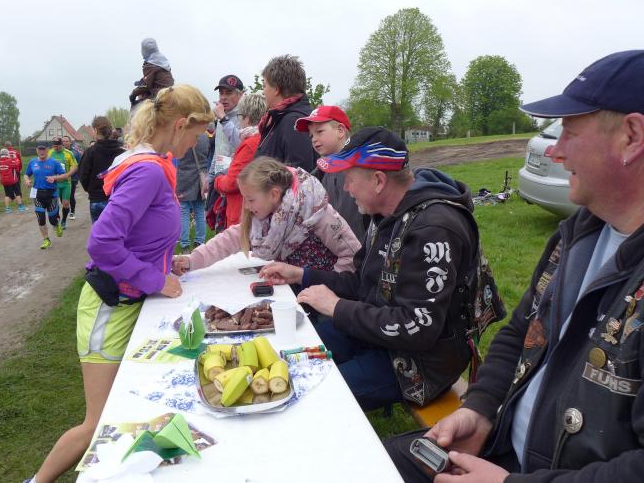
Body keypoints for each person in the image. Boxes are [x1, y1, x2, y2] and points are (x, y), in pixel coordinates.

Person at [386, 50, 644, 482]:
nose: (556, 151)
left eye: (570, 133)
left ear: (632, 136)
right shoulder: (580, 233)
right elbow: (521, 332)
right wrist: (480, 410)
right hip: (499, 450)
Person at [26, 84, 215, 483]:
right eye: (197, 135)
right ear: (180, 125)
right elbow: (102, 242)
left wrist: (163, 263)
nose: (196, 144)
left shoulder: (155, 164)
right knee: (98, 423)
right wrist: (153, 278)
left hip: (128, 304)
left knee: (130, 408)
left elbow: (141, 234)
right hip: (109, 309)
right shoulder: (148, 171)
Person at [259, 127, 479, 411]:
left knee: (309, 393)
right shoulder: (384, 215)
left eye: (349, 179)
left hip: (420, 363)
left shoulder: (433, 229)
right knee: (291, 353)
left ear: (378, 181)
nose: (346, 189)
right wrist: (302, 274)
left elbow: (417, 328)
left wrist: (337, 307)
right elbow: (363, 284)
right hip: (376, 335)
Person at [173, 156, 361, 278]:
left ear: (274, 194)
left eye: (250, 200)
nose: (246, 206)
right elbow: (228, 240)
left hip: (323, 302)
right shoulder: (262, 217)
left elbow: (353, 256)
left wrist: (322, 285)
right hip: (292, 292)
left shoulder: (317, 213)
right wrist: (192, 260)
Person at [296, 105, 368, 243]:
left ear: (340, 131)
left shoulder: (363, 168)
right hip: (336, 250)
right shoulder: (316, 176)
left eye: (319, 131)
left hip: (364, 248)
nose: (314, 139)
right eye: (311, 135)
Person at [213, 93, 268, 227]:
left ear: (247, 118)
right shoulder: (264, 138)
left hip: (240, 212)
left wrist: (218, 178)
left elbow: (232, 183)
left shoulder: (249, 143)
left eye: (240, 116)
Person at [254, 54, 315, 172]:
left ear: (276, 89)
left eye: (264, 86)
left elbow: (299, 174)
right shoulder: (281, 118)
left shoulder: (294, 121)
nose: (263, 92)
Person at [79, 116, 125, 223]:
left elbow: (83, 176)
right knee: (118, 230)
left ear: (95, 130)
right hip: (119, 198)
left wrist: (91, 190)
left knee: (100, 231)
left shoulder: (90, 152)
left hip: (97, 199)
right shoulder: (122, 152)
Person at [25, 143, 67, 249]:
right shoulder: (32, 162)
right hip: (37, 194)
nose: (41, 152)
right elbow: (26, 174)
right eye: (39, 149)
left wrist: (55, 178)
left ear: (48, 150)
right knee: (41, 218)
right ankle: (46, 239)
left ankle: (56, 224)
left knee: (52, 219)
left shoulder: (54, 162)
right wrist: (27, 180)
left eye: (43, 149)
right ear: (36, 150)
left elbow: (64, 175)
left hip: (51, 194)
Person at [175, 125, 210, 252]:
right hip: (201, 177)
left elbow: (177, 154)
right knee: (199, 211)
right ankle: (200, 242)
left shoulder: (182, 137)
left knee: (184, 211)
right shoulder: (205, 137)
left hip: (184, 176)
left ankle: (184, 244)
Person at [209, 74, 245, 175]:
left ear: (241, 94)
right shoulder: (222, 115)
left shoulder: (246, 116)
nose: (223, 97)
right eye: (221, 93)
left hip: (236, 176)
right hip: (219, 176)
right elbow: (218, 150)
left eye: (229, 93)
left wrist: (224, 119)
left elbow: (243, 145)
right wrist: (210, 175)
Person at [128, 38, 174, 108]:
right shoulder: (163, 61)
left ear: (144, 50)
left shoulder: (150, 65)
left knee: (135, 106)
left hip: (158, 95)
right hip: (170, 92)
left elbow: (146, 86)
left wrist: (133, 94)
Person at [46, 137, 78, 229]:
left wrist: (68, 174)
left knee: (66, 203)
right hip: (54, 183)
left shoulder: (68, 153)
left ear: (61, 145)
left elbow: (75, 166)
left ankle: (64, 221)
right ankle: (57, 220)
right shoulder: (50, 153)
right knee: (54, 204)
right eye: (54, 146)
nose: (55, 148)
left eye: (57, 146)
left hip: (65, 183)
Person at [0, 148, 26, 213]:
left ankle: (7, 209)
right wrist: (15, 158)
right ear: (7, 154)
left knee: (7, 194)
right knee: (17, 193)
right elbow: (17, 164)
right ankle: (21, 207)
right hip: (13, 180)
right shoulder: (9, 161)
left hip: (4, 181)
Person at [62, 135, 82, 220]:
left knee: (70, 195)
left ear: (70, 142)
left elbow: (80, 165)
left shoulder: (75, 153)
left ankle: (72, 212)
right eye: (63, 141)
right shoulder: (59, 152)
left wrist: (78, 176)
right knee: (63, 197)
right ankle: (66, 208)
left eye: (66, 141)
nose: (65, 143)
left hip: (72, 178)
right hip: (61, 178)